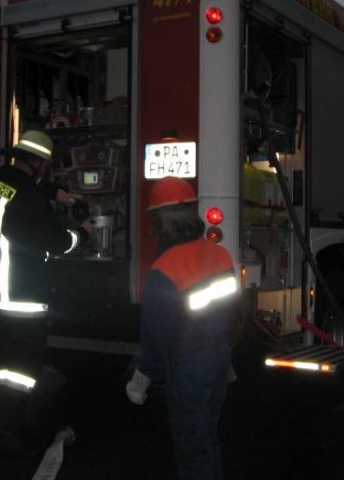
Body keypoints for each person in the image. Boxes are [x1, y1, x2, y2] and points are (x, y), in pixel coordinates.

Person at [0, 129, 92, 456]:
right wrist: (83, 234)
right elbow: (56, 242)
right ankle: (7, 433)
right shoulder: (29, 198)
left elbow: (21, 192)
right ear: (39, 163)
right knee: (24, 369)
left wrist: (56, 193)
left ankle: (9, 425)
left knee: (6, 367)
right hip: (22, 294)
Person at [126, 176, 240, 479]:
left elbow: (157, 335)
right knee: (208, 438)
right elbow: (233, 311)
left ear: (159, 221)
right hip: (219, 360)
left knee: (192, 448)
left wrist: (145, 375)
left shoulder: (164, 268)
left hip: (188, 367)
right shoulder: (220, 254)